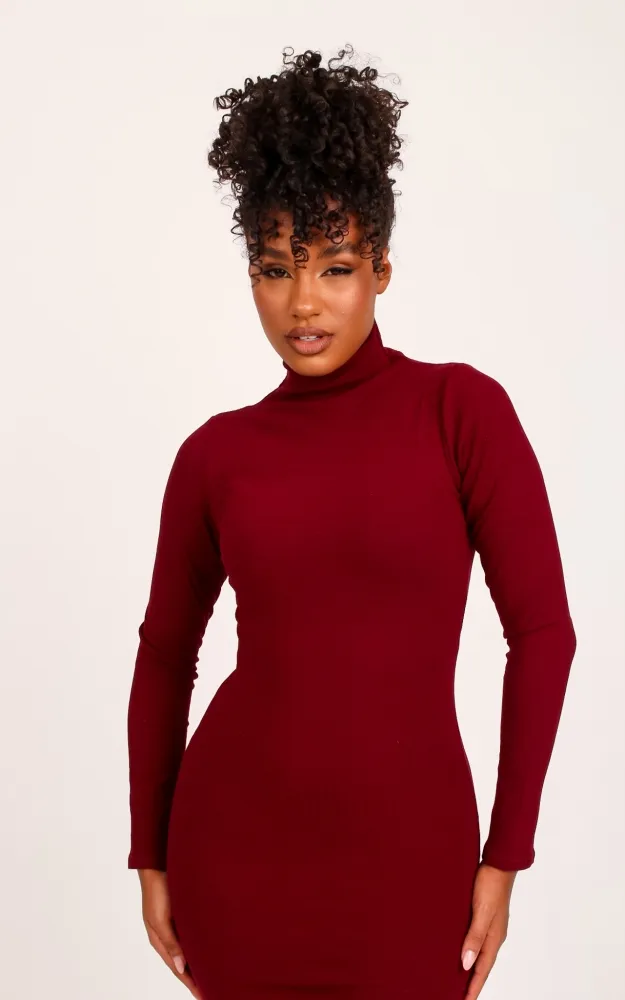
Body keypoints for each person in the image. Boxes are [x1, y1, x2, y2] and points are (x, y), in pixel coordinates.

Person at [126, 44, 577, 1000]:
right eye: (274, 268)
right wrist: (150, 853)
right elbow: (166, 654)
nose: (303, 303)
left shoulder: (460, 413)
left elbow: (544, 633)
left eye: (334, 267)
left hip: (414, 863)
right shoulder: (216, 454)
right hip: (236, 858)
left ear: (381, 268)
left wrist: (507, 855)